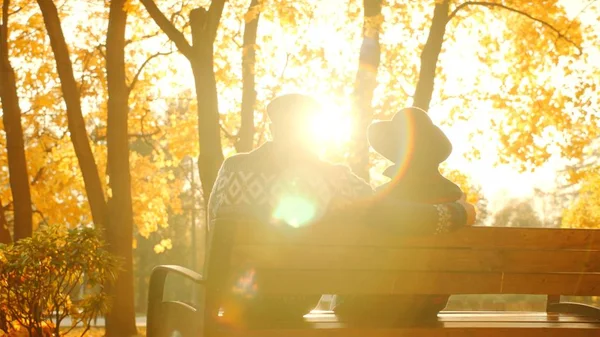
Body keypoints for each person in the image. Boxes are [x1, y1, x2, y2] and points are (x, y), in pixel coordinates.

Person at [207, 94, 476, 325]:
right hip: (292, 301)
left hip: (231, 298)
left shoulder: (232, 168)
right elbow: (399, 217)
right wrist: (460, 212)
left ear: (273, 128)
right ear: (312, 132)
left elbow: (215, 226)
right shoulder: (332, 178)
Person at [332, 106, 472, 325]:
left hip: (367, 304)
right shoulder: (453, 202)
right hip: (427, 304)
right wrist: (462, 212)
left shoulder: (379, 201)